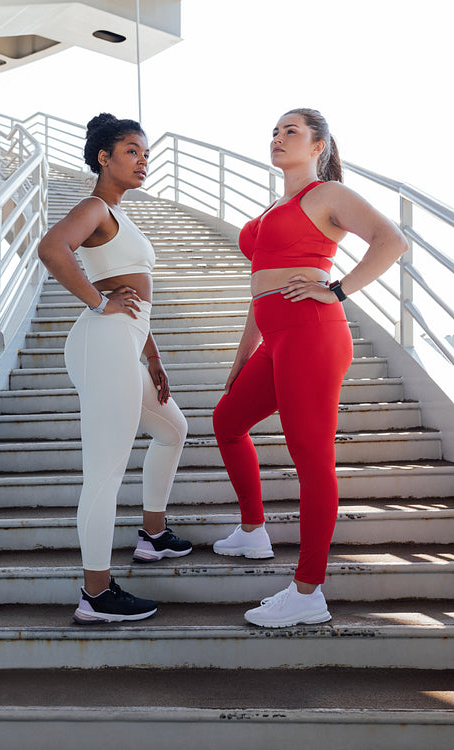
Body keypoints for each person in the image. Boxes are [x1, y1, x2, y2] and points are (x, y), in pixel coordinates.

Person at [212, 108, 408, 628]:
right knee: (227, 421)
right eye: (274, 132)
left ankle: (307, 592)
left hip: (312, 335)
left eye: (290, 131)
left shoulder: (327, 195)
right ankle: (253, 532)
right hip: (274, 340)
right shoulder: (276, 204)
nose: (277, 138)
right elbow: (260, 288)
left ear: (318, 144)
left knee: (311, 458)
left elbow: (393, 241)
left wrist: (337, 289)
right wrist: (241, 359)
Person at [38, 113, 191, 625]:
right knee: (104, 471)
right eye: (131, 150)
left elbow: (134, 295)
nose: (143, 160)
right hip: (102, 341)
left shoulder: (122, 215)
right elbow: (52, 248)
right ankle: (97, 594)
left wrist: (153, 355)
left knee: (174, 430)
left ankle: (151, 535)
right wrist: (96, 302)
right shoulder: (95, 205)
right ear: (103, 157)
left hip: (126, 343)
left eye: (146, 153)